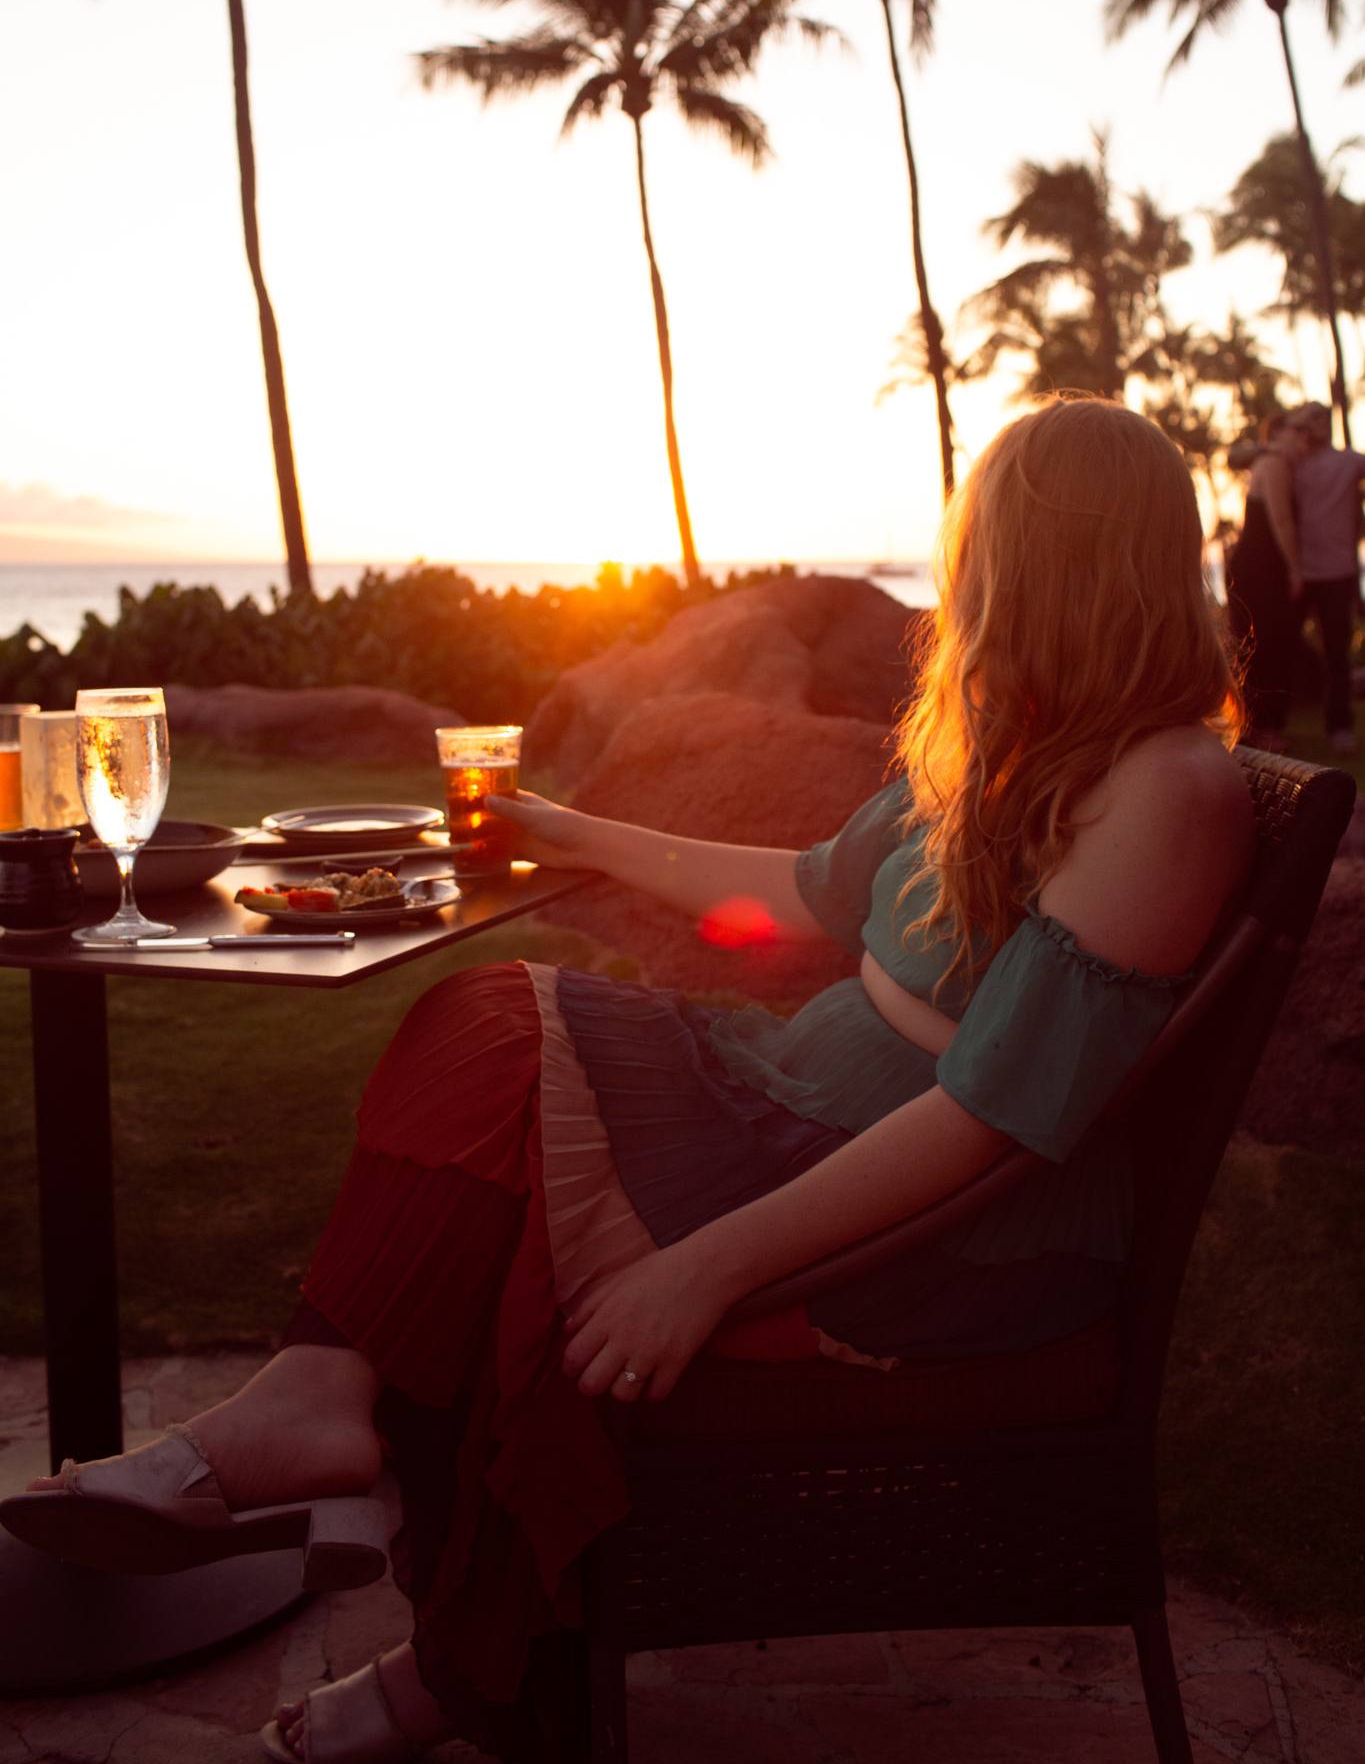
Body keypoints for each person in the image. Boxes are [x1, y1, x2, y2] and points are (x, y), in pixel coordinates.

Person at [1, 398, 1253, 1764]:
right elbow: (805, 894)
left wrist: (700, 1266)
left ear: (1060, 564)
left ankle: (440, 1639)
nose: (960, 586)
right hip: (812, 1098)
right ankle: (332, 1426)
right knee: (479, 1023)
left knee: (532, 1202)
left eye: (984, 549)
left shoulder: (1169, 788)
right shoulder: (1011, 741)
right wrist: (565, 833)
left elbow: (989, 1119)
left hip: (952, 1228)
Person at [1282, 402, 1365, 754]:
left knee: (1337, 655)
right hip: (1300, 574)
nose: (1305, 432)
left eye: (1308, 425)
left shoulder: (1348, 462)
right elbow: (1237, 458)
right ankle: (1270, 723)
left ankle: (1340, 728)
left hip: (1338, 573)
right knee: (1279, 646)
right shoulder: (1292, 464)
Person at [1224, 410, 1303, 752]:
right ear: (1279, 432)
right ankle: (1260, 729)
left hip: (1259, 566)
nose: (1303, 439)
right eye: (1297, 431)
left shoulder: (1272, 460)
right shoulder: (1272, 463)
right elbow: (1281, 520)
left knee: (1266, 643)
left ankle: (1256, 728)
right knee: (1262, 645)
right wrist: (1295, 567)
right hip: (1260, 567)